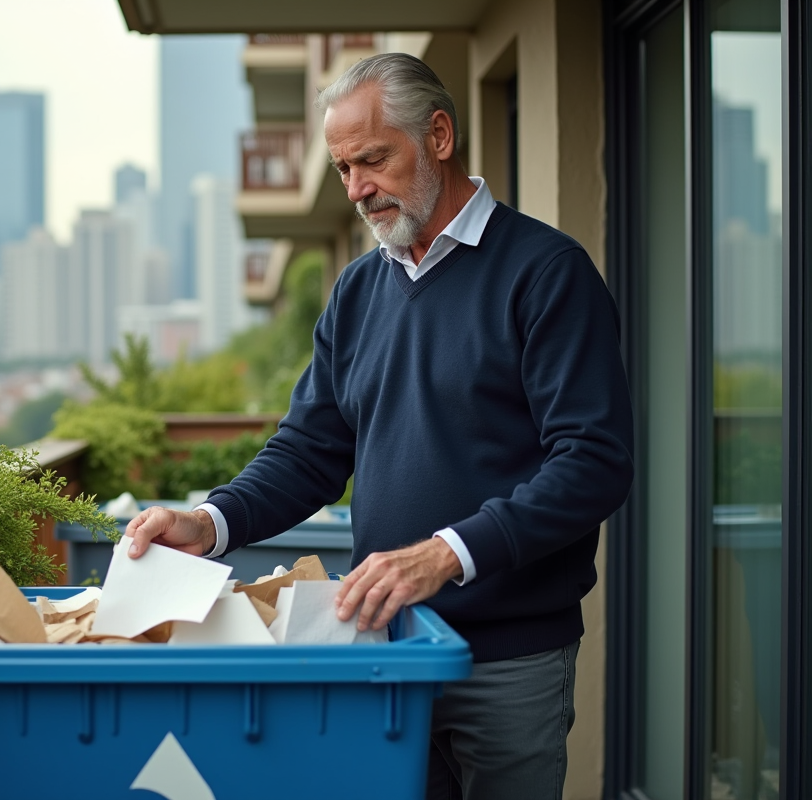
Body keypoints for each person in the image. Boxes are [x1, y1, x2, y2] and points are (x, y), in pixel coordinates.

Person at [125, 52, 633, 799]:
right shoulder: (359, 289)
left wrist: (445, 553)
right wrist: (211, 520)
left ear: (438, 135)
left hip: (508, 662)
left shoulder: (547, 272)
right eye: (342, 169)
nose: (359, 189)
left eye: (373, 159)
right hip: (384, 651)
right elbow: (309, 449)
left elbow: (593, 462)